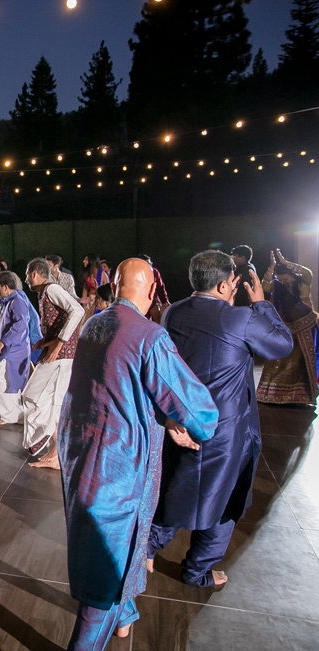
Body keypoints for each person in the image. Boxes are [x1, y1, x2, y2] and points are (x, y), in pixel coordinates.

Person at [60, 258, 217, 649]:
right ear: (150, 291)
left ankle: (125, 615)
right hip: (119, 467)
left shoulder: (95, 324)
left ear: (114, 287)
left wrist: (165, 423)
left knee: (105, 547)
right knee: (108, 564)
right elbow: (197, 411)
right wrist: (197, 425)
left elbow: (116, 387)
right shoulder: (149, 336)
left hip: (81, 455)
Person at [148, 251, 292, 588]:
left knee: (176, 489)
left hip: (182, 420)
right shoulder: (240, 318)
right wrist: (261, 303)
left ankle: (146, 549)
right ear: (227, 283)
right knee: (226, 497)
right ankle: (197, 570)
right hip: (227, 429)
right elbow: (282, 345)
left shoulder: (172, 312)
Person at [22, 258, 85, 469]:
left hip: (62, 356)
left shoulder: (52, 289)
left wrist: (60, 341)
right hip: (57, 354)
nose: (25, 279)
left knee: (38, 398)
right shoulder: (44, 293)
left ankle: (55, 451)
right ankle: (56, 451)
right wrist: (47, 340)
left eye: (26, 274)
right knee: (45, 400)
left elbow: (77, 310)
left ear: (34, 274)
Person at [257, 249, 318, 405]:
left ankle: (300, 396)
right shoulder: (277, 286)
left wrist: (285, 263)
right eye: (280, 280)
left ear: (292, 275)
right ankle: (275, 395)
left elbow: (308, 273)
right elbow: (266, 287)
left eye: (285, 279)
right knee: (279, 361)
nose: (283, 282)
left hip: (304, 328)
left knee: (300, 363)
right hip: (284, 328)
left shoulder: (303, 282)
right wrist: (272, 267)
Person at [0, 271, 31, 425]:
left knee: (0, 378)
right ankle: (16, 414)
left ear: (5, 286)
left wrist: (3, 341)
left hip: (15, 349)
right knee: (9, 381)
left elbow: (21, 324)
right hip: (11, 348)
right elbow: (7, 326)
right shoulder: (8, 301)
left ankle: (10, 415)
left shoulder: (17, 301)